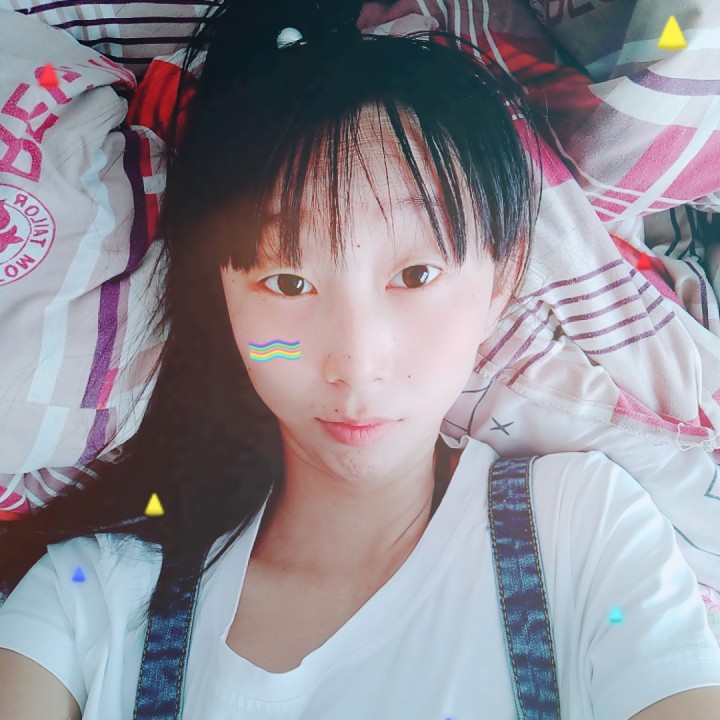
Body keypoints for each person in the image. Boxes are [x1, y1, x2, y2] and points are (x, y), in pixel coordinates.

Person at [1, 1, 719, 718]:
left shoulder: (581, 529)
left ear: (500, 284)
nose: (355, 363)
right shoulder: (92, 596)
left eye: (415, 275)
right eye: (288, 283)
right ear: (224, 296)